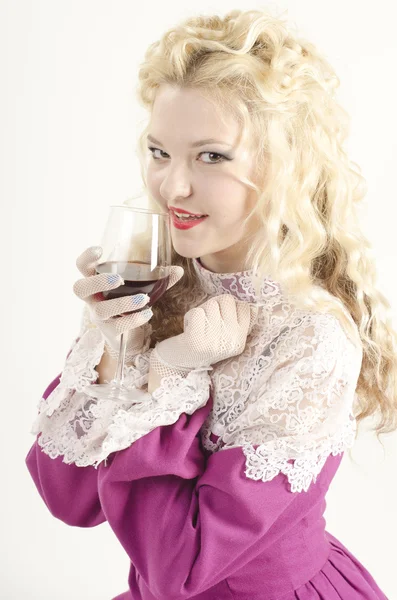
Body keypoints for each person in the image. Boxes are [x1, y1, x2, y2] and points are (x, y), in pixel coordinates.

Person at [25, 8, 395, 599]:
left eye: (212, 156)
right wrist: (114, 350)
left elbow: (182, 567)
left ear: (283, 168)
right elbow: (65, 496)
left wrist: (169, 372)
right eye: (159, 151)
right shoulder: (153, 280)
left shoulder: (312, 336)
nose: (173, 187)